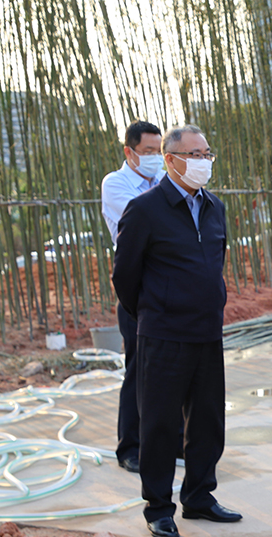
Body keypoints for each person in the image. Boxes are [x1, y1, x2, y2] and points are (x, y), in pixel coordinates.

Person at [112, 125, 240, 537]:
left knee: (207, 421)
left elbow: (216, 263)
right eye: (194, 155)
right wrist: (153, 311)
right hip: (164, 334)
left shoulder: (215, 207)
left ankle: (199, 496)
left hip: (207, 331)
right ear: (170, 160)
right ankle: (158, 507)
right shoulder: (145, 209)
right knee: (160, 424)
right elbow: (124, 276)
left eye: (207, 154)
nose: (203, 162)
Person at [101, 120, 163, 473]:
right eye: (148, 151)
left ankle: (170, 440)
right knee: (139, 366)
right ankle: (131, 447)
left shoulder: (164, 180)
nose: (155, 158)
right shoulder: (116, 183)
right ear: (129, 151)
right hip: (137, 281)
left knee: (171, 366)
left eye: (159, 151)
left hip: (168, 279)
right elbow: (145, 223)